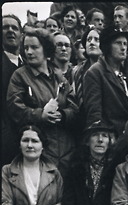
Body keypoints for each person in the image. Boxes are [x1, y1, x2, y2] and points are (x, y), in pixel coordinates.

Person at [6, 28, 78, 174]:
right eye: (26, 48)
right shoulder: (20, 76)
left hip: (67, 152)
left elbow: (75, 107)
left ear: (46, 48)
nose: (29, 52)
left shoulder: (59, 76)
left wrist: (63, 115)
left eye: (34, 47)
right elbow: (14, 108)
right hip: (39, 152)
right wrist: (40, 115)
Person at [83, 24, 128, 137]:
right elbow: (94, 114)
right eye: (118, 43)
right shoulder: (95, 72)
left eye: (125, 44)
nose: (123, 48)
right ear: (107, 46)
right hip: (111, 139)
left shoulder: (126, 71)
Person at [2, 13, 22, 166]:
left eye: (14, 28)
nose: (10, 30)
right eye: (5, 27)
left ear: (21, 34)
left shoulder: (29, 63)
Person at [72, 26, 101, 110]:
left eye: (97, 40)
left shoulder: (110, 69)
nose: (91, 43)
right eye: (89, 40)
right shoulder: (77, 72)